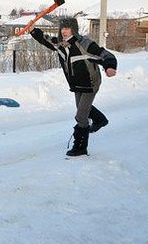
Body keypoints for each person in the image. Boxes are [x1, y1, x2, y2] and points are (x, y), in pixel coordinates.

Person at [29, 17, 117, 156]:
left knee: (81, 116)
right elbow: (45, 40)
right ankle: (100, 119)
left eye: (67, 28)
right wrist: (33, 31)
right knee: (82, 107)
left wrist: (110, 67)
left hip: (90, 83)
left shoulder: (85, 44)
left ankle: (81, 147)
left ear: (74, 30)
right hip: (76, 84)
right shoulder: (60, 44)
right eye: (62, 28)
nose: (64, 31)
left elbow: (106, 55)